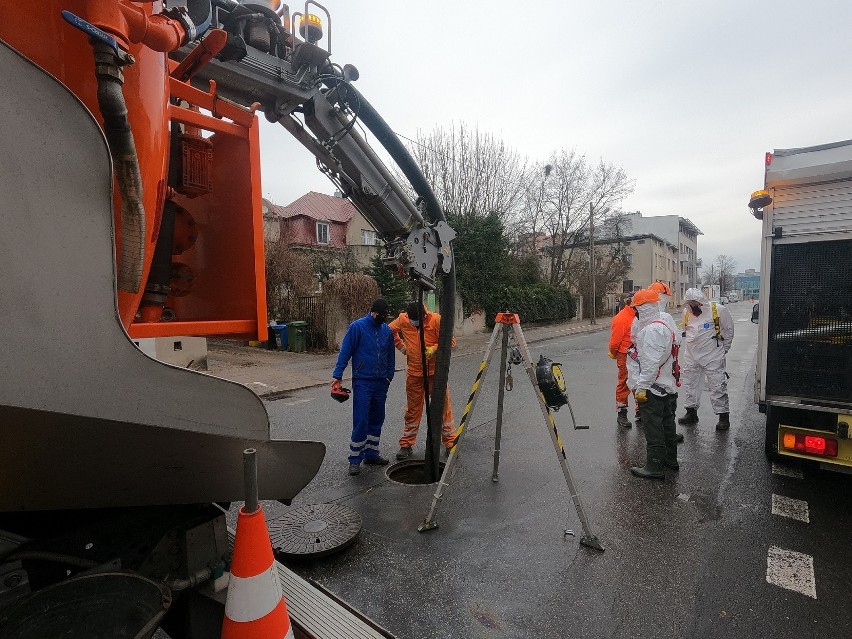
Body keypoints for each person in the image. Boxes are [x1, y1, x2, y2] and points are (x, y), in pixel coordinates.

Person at [332, 298, 395, 476]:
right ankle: (354, 459)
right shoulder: (357, 327)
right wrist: (338, 375)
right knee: (361, 419)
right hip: (363, 381)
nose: (382, 318)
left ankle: (372, 454)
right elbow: (346, 351)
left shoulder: (386, 330)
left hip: (381, 382)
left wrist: (389, 376)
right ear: (372, 312)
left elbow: (391, 355)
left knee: (377, 417)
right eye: (379, 315)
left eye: (384, 316)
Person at [389, 301, 457, 460]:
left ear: (424, 315)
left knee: (443, 407)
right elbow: (389, 331)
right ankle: (406, 444)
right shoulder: (403, 319)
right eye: (412, 321)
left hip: (435, 374)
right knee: (412, 410)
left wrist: (433, 349)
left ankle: (450, 443)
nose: (414, 323)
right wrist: (402, 348)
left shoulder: (436, 320)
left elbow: (451, 342)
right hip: (414, 374)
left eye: (417, 321)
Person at [625, 288, 680, 479]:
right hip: (666, 386)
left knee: (654, 428)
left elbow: (649, 365)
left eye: (636, 309)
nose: (636, 313)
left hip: (653, 389)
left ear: (644, 309)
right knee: (667, 424)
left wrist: (642, 388)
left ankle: (654, 466)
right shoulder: (665, 323)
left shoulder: (651, 331)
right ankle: (670, 460)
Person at [677, 287, 735, 431]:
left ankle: (723, 416)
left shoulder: (718, 310)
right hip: (692, 355)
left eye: (696, 303)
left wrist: (724, 349)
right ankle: (691, 412)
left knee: (717, 385)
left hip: (713, 356)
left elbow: (728, 330)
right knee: (691, 384)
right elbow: (685, 331)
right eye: (691, 304)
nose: (694, 306)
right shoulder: (686, 313)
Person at [608, 296, 636, 428]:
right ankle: (622, 413)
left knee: (640, 382)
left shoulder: (636, 315)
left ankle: (641, 411)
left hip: (637, 353)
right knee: (624, 382)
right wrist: (614, 353)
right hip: (625, 354)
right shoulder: (622, 318)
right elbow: (615, 342)